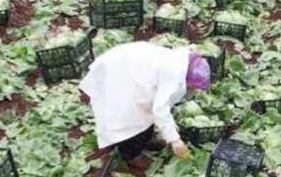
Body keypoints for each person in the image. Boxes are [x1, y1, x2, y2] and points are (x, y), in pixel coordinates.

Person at [79, 41, 211, 169]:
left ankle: (145, 141)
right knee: (128, 119)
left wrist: (168, 126)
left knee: (144, 113)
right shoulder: (174, 76)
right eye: (193, 86)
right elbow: (160, 109)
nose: (192, 89)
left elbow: (161, 103)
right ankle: (131, 155)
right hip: (119, 73)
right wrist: (174, 140)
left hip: (131, 68)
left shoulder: (182, 64)